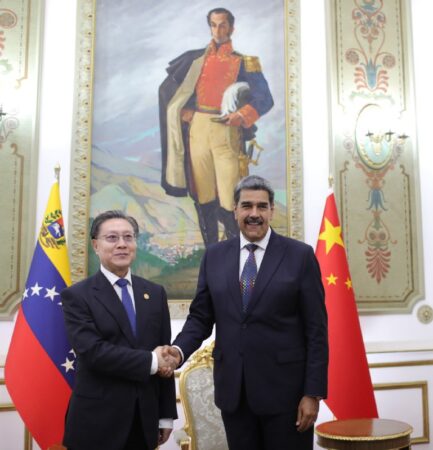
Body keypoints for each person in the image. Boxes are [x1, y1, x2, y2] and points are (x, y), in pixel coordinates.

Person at [163, 175, 328, 450]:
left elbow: (317, 330)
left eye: (262, 206)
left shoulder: (299, 256)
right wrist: (178, 351)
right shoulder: (214, 256)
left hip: (287, 397)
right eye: (247, 206)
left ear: (271, 211)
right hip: (235, 395)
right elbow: (201, 318)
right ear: (235, 210)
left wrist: (313, 393)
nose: (254, 214)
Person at [61, 210, 178, 450]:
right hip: (96, 423)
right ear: (96, 245)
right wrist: (152, 361)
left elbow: (164, 353)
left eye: (128, 237)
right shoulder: (77, 296)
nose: (122, 244)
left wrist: (166, 415)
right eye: (112, 238)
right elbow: (93, 352)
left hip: (143, 421)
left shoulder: (155, 293)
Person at [159, 8, 274, 246]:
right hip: (198, 129)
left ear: (232, 28)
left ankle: (233, 254)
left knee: (230, 197)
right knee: (203, 196)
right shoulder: (194, 59)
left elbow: (265, 99)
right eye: (214, 25)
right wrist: (184, 110)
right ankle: (211, 253)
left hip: (227, 130)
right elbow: (168, 89)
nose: (218, 30)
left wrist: (241, 116)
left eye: (223, 25)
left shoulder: (245, 62)